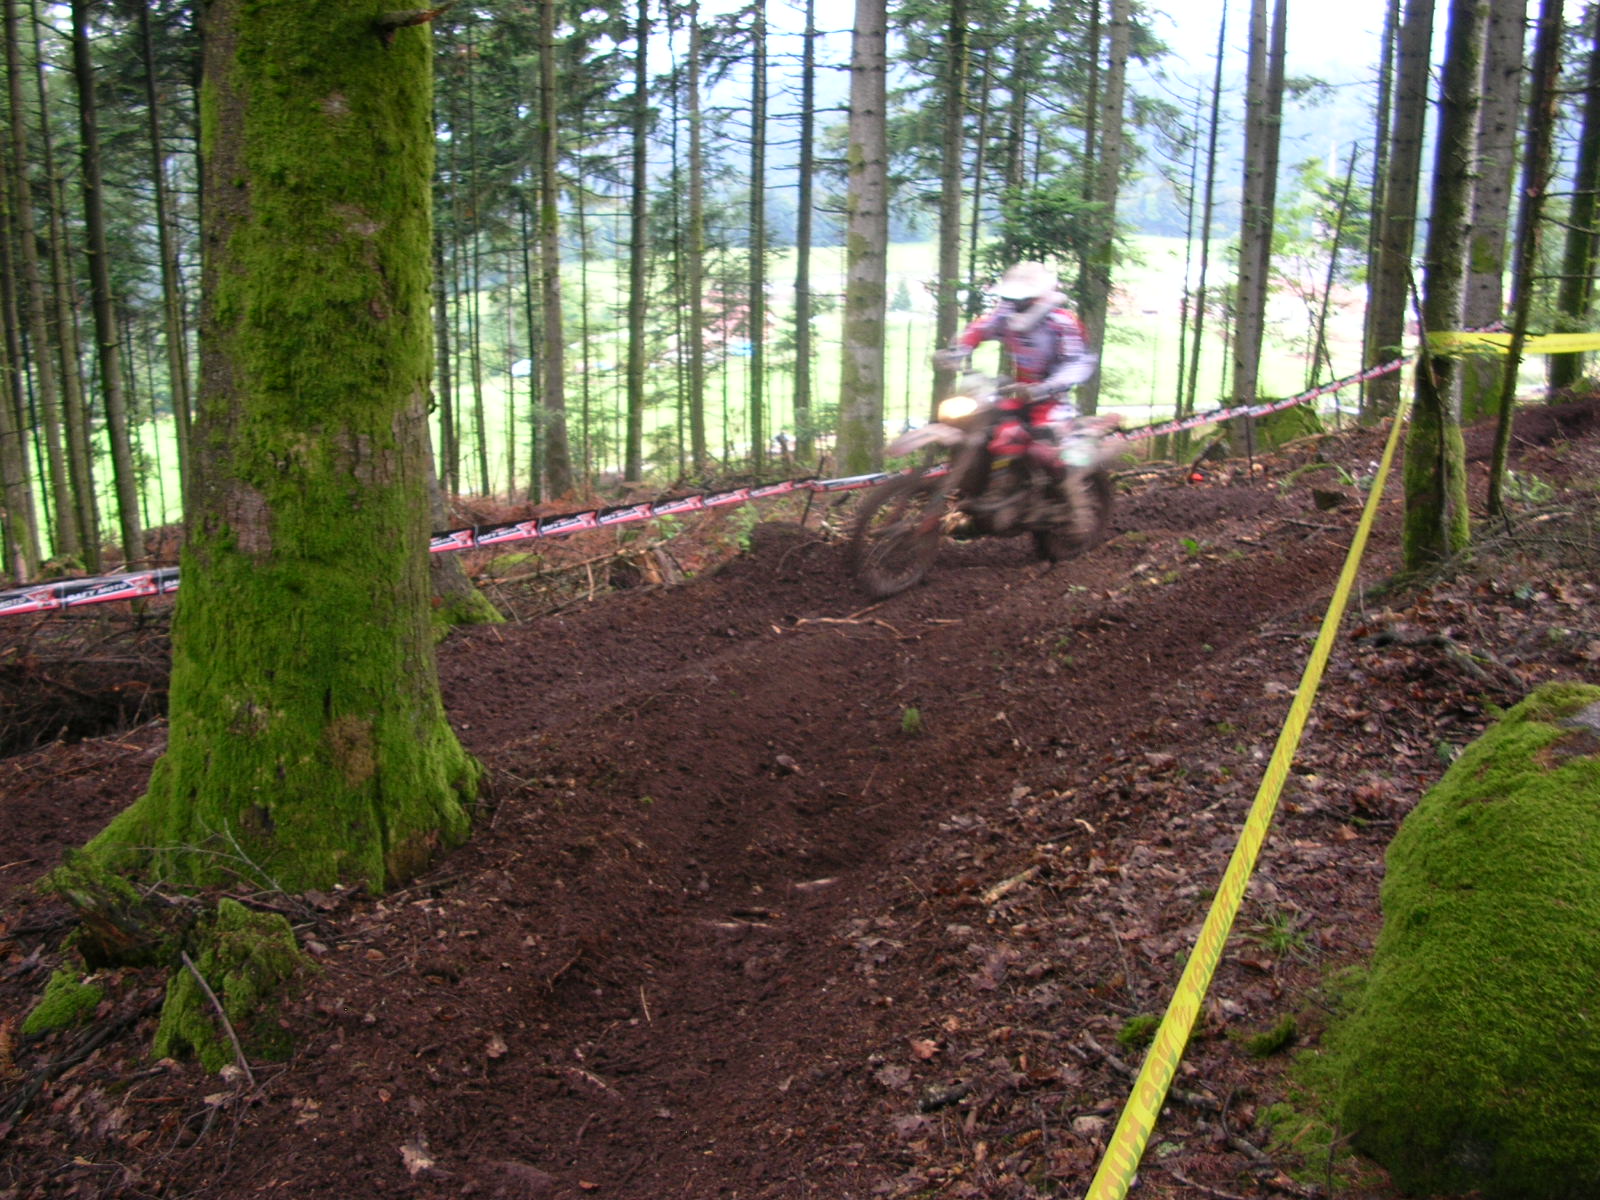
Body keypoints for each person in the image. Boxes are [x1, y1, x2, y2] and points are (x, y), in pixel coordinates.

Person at [934, 261, 1097, 491]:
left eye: (1021, 299)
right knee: (984, 427)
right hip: (1018, 391)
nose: (1014, 304)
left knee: (1044, 450)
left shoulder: (1062, 323)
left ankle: (1058, 493)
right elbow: (980, 328)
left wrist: (1048, 386)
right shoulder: (1005, 315)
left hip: (1051, 399)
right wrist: (956, 351)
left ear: (1038, 297)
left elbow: (1078, 363)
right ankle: (989, 486)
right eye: (1012, 298)